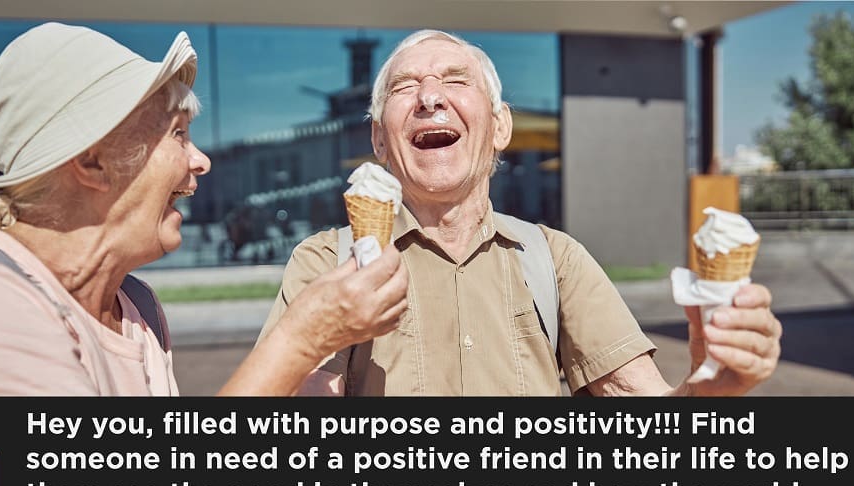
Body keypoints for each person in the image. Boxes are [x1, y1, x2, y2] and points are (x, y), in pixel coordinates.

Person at [258, 29, 783, 397]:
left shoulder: (554, 261)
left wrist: (713, 388)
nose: (429, 98)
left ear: (500, 127)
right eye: (404, 87)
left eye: (456, 80)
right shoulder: (328, 262)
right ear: (378, 138)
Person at [0, 22, 408, 396]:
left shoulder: (137, 308)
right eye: (178, 134)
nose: (201, 159)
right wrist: (299, 342)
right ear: (91, 161)